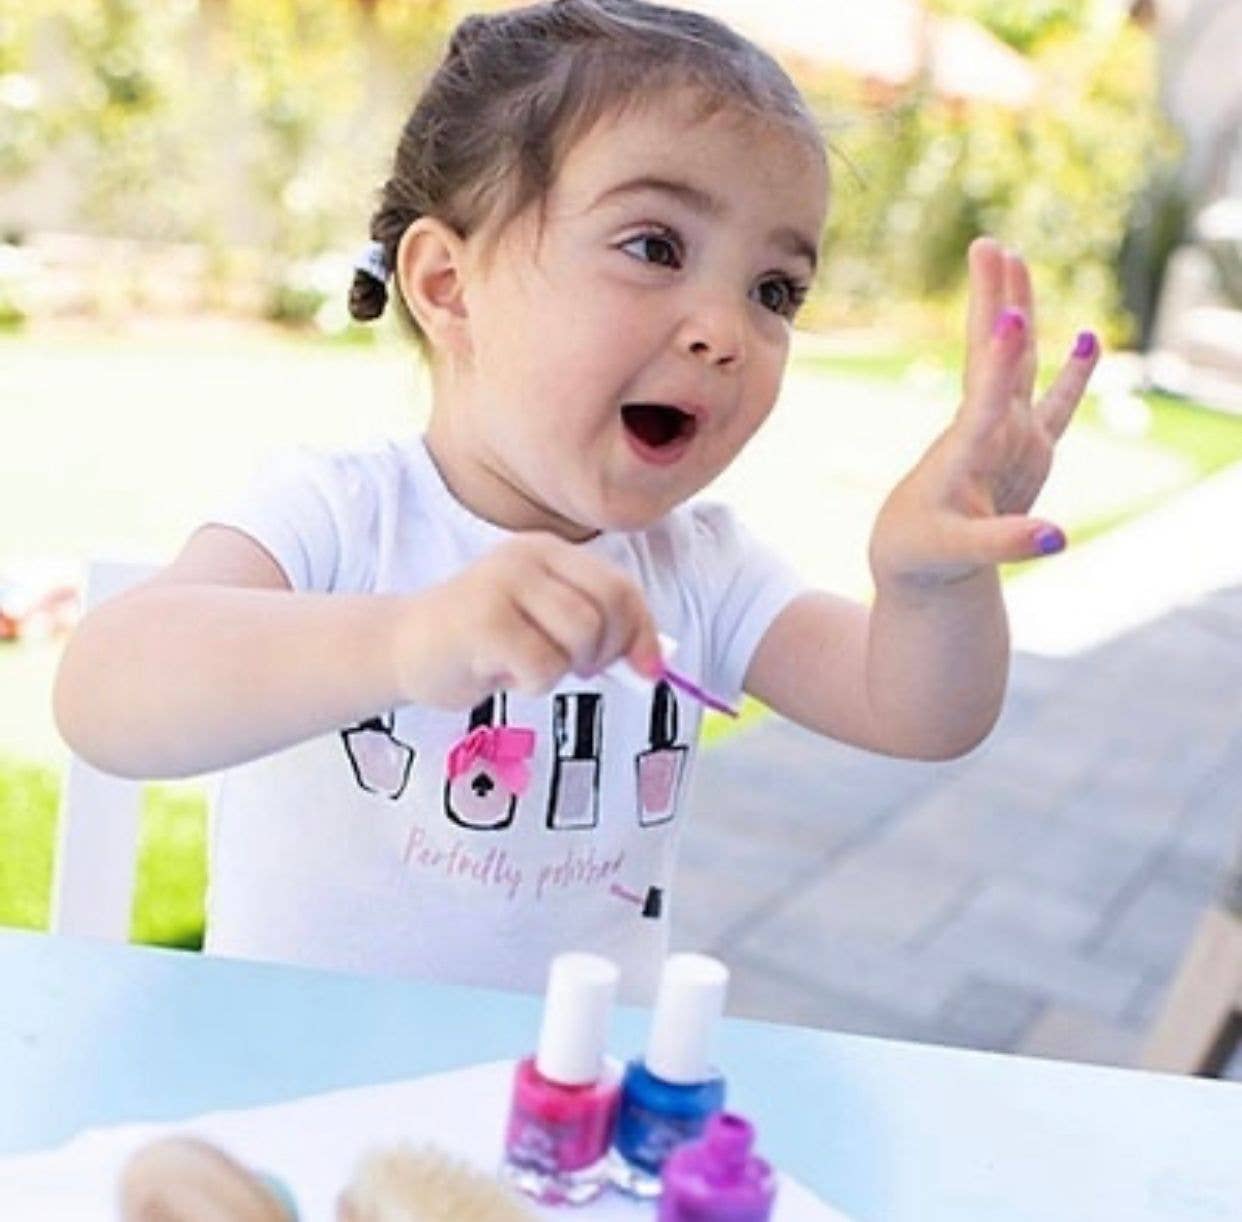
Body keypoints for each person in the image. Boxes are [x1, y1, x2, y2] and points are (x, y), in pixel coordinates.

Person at [53, 0, 1099, 1001]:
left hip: (559, 1099)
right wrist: (409, 641)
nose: (726, 331)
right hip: (300, 1086)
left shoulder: (702, 569)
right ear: (449, 284)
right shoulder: (340, 515)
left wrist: (931, 588)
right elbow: (105, 692)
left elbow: (917, 713)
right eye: (655, 247)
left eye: (774, 290)